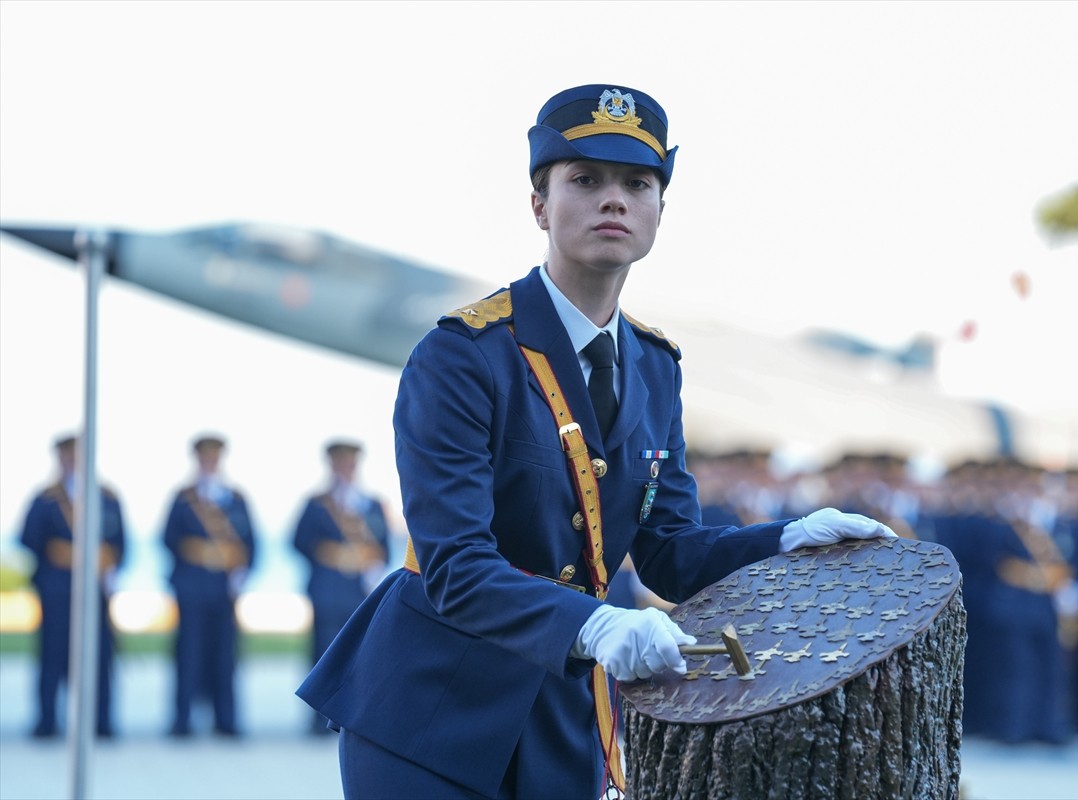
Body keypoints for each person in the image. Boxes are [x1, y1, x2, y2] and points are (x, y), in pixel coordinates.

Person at [297, 83, 896, 800]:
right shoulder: (464, 354)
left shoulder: (654, 367)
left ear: (659, 212)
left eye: (636, 184)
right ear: (539, 205)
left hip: (559, 714)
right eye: (585, 180)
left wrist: (784, 545)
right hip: (432, 709)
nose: (613, 200)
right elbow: (455, 565)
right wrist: (598, 624)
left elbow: (669, 552)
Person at [19, 434, 125, 738]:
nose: (73, 462)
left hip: (94, 590)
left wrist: (109, 568)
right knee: (52, 657)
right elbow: (29, 539)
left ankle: (101, 722)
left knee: (100, 658)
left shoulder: (106, 498)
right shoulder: (45, 499)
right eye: (68, 457)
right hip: (57, 590)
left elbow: (119, 543)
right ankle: (47, 721)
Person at [292, 440, 391, 734]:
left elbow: (382, 547)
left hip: (358, 591)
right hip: (327, 587)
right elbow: (298, 542)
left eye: (350, 464)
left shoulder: (371, 504)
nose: (345, 470)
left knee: (359, 655)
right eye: (340, 464)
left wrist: (371, 566)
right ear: (332, 466)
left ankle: (351, 717)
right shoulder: (317, 504)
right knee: (323, 652)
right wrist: (330, 556)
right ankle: (318, 719)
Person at [162, 434, 257, 737]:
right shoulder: (183, 498)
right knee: (188, 655)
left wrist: (240, 573)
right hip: (192, 586)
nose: (209, 464)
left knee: (225, 657)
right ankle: (182, 720)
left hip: (223, 589)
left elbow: (250, 544)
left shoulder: (236, 499)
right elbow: (169, 540)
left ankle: (225, 720)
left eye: (214, 458)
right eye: (205, 458)